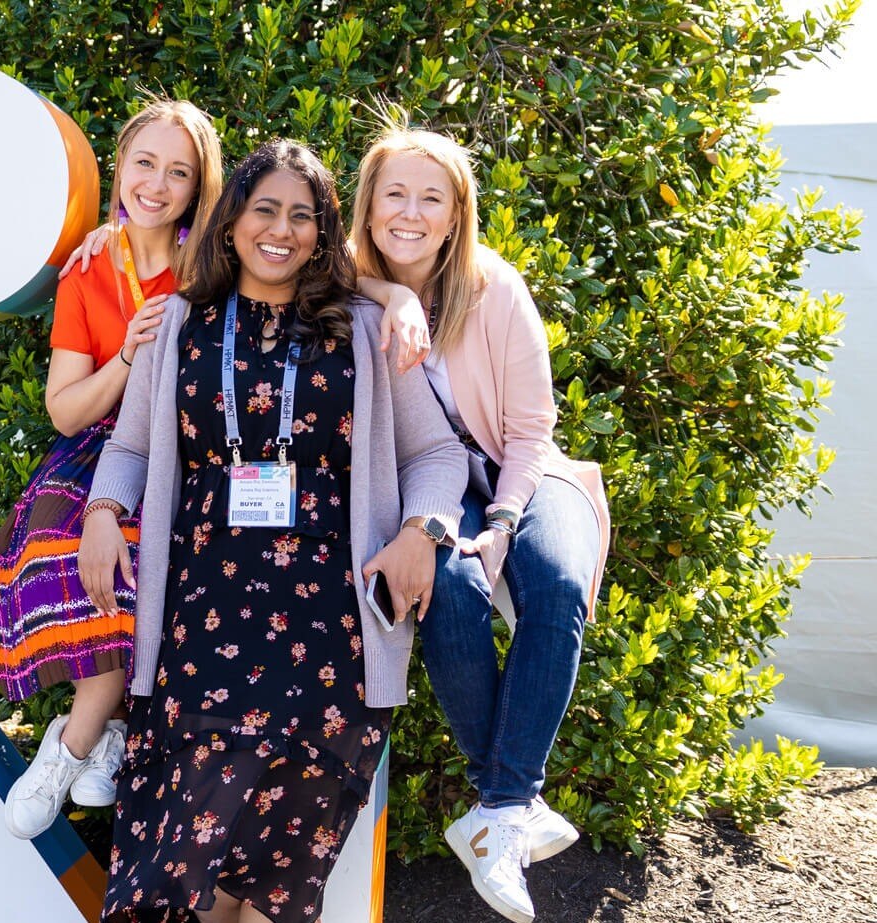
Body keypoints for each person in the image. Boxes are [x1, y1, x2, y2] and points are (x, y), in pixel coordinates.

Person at [80, 139, 467, 923]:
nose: (281, 230)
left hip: (329, 639)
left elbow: (437, 451)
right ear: (229, 224)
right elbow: (129, 446)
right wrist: (99, 512)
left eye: (303, 216)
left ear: (325, 235)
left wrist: (424, 530)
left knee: (278, 877)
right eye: (265, 210)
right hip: (198, 626)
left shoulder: (366, 327)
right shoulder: (180, 325)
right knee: (167, 872)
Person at [352, 127, 612, 923]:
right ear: (368, 203)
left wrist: (504, 517)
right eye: (395, 193)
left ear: (457, 211)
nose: (411, 212)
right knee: (453, 585)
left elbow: (533, 430)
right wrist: (393, 295)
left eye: (432, 197)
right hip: (430, 486)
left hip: (520, 473)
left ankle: (499, 807)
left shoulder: (494, 287)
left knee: (561, 581)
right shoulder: (344, 285)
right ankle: (504, 808)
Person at [0, 98, 225, 839]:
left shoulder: (215, 265)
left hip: (189, 447)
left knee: (149, 549)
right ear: (119, 165)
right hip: (102, 444)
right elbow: (65, 411)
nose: (156, 183)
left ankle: (73, 742)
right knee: (70, 541)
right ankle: (104, 728)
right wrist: (128, 353)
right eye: (144, 162)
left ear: (198, 188)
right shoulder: (88, 269)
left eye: (178, 172)